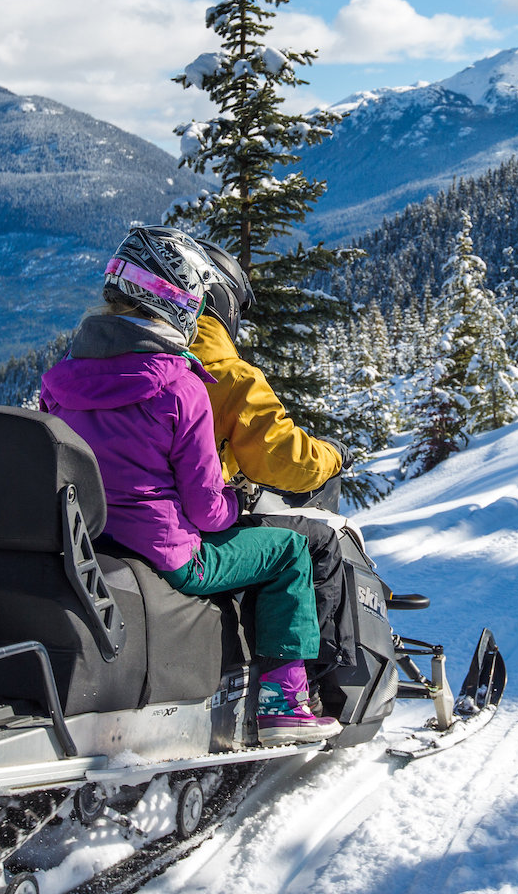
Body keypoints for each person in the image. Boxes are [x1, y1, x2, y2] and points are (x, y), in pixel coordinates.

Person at [37, 226, 340, 745]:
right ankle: (283, 699)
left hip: (90, 542)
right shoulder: (182, 385)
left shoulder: (60, 380)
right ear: (181, 300)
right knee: (288, 551)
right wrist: (236, 503)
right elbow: (204, 511)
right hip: (171, 555)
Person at [182, 233, 357, 697]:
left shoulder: (138, 361)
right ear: (222, 301)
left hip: (121, 524)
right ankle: (306, 687)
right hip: (188, 529)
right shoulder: (227, 374)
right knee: (312, 543)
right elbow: (287, 460)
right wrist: (335, 455)